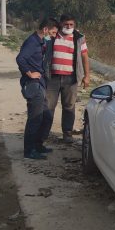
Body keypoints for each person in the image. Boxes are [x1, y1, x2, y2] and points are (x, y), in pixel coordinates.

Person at [16, 18, 59, 160]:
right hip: (33, 84)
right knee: (35, 118)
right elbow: (20, 59)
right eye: (52, 33)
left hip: (40, 83)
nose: (53, 36)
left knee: (46, 116)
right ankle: (29, 151)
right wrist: (29, 73)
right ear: (45, 29)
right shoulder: (32, 42)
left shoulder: (41, 42)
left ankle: (38, 144)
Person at [45, 14, 90, 143]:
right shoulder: (53, 35)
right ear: (61, 24)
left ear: (74, 25)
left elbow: (85, 57)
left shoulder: (79, 38)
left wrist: (87, 76)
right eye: (66, 24)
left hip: (71, 78)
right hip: (52, 78)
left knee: (69, 106)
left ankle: (67, 134)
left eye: (71, 24)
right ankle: (44, 133)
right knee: (48, 106)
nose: (68, 27)